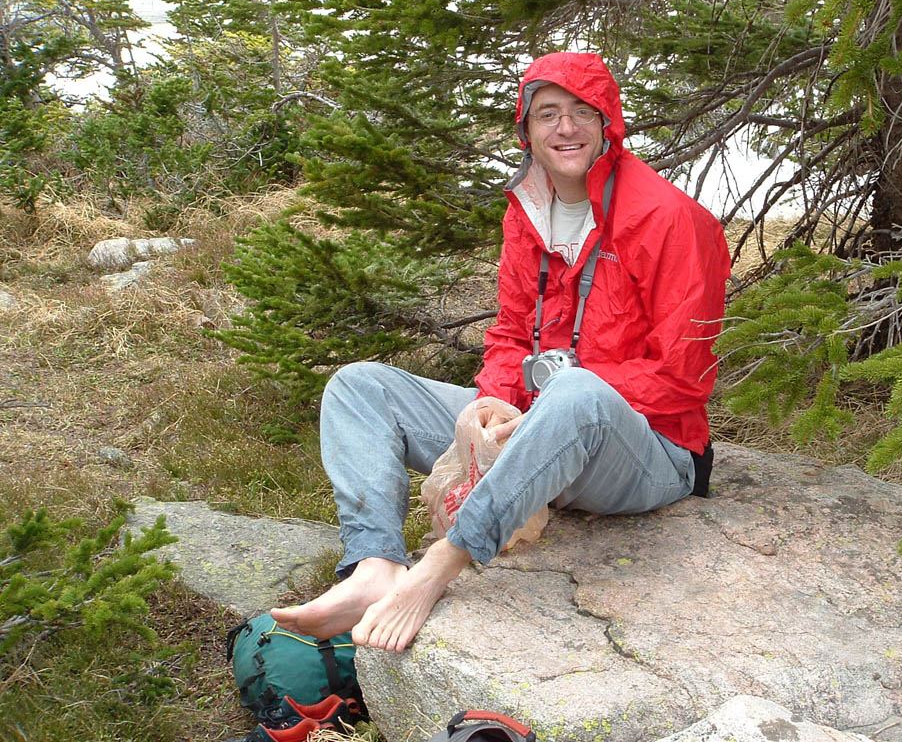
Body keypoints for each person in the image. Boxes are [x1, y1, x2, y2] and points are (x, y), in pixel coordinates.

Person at [271, 52, 731, 653]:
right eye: (547, 114)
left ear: (607, 122)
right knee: (360, 387)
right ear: (527, 129)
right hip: (537, 427)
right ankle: (374, 565)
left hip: (648, 452)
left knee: (578, 390)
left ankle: (442, 562)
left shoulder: (670, 220)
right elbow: (513, 335)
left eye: (580, 113)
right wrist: (491, 403)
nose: (564, 128)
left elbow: (682, 379)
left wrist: (548, 402)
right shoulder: (528, 212)